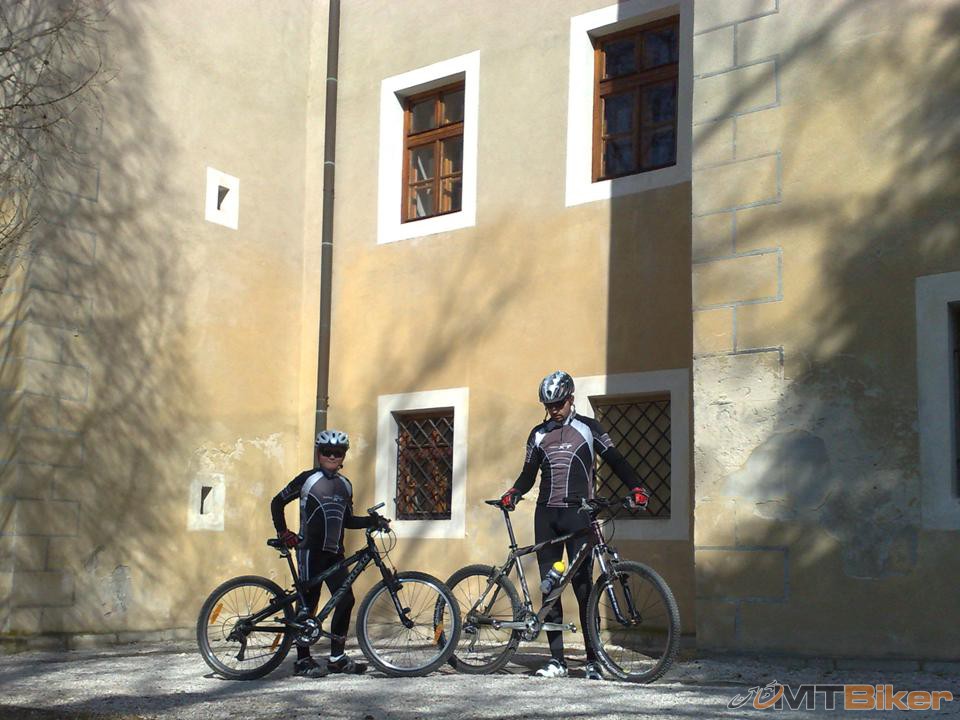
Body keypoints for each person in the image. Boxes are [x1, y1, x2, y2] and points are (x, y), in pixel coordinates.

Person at [499, 371, 650, 681]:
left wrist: (636, 486)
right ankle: (557, 660)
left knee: (584, 589)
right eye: (548, 405)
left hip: (579, 516)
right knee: (550, 588)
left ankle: (594, 660)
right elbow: (528, 474)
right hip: (546, 517)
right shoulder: (538, 434)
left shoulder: (589, 428)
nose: (553, 410)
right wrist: (514, 492)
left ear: (571, 399)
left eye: (558, 404)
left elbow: (616, 460)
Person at [271, 429, 389, 678]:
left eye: (338, 452)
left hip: (335, 553)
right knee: (308, 605)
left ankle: (337, 658)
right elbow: (277, 502)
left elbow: (346, 520)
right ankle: (302, 660)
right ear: (319, 454)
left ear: (344, 455)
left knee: (345, 600)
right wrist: (283, 532)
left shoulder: (345, 485)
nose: (332, 456)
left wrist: (372, 521)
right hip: (309, 551)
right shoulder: (307, 479)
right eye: (327, 452)